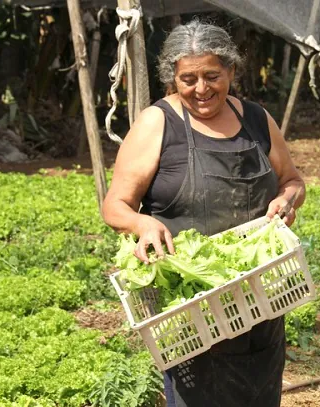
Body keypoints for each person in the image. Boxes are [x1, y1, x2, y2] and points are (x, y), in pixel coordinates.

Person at [102, 19, 306, 407]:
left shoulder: (257, 120)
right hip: (191, 310)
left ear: (231, 70)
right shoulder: (157, 124)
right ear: (172, 79)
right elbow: (114, 206)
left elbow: (292, 180)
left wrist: (288, 199)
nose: (201, 89)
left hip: (259, 300)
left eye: (212, 75)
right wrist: (143, 222)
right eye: (188, 79)